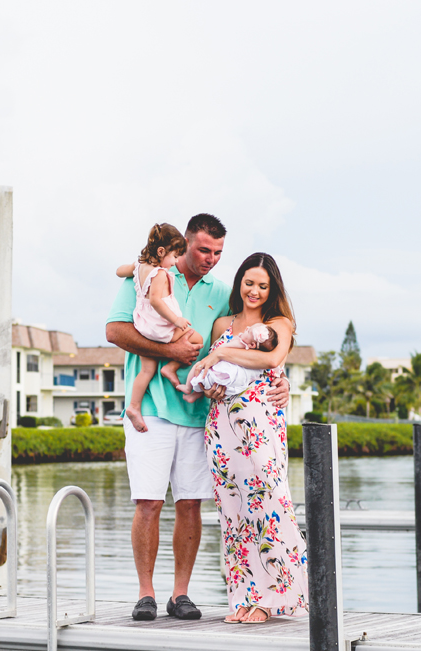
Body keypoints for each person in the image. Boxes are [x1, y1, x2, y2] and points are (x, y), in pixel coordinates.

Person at [106, 215, 291, 621]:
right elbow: (115, 331)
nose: (210, 259)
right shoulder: (151, 275)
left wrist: (283, 379)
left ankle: (180, 594)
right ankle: (145, 594)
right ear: (185, 244)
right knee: (149, 503)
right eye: (203, 250)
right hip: (150, 411)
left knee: (190, 504)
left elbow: (251, 335)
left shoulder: (223, 293)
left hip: (200, 414)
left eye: (218, 254)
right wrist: (172, 354)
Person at [188, 252, 308, 624]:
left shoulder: (280, 322)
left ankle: (271, 600)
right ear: (239, 282)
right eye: (248, 283)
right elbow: (214, 372)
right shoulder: (222, 322)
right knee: (233, 512)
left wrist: (222, 352)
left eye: (262, 285)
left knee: (268, 506)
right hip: (221, 428)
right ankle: (242, 597)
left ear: (272, 289)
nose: (254, 291)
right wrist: (210, 383)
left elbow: (272, 361)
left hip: (260, 425)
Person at [114, 223, 204, 432]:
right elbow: (156, 301)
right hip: (160, 327)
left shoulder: (138, 268)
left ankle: (134, 406)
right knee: (197, 338)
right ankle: (170, 368)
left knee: (146, 369)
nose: (175, 262)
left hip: (143, 327)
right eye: (174, 257)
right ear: (162, 252)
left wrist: (131, 268)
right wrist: (176, 320)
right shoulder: (160, 273)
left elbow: (119, 271)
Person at [187, 322, 278, 399]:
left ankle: (190, 388)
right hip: (221, 403)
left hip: (252, 400)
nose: (247, 328)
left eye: (248, 331)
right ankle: (194, 392)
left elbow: (275, 364)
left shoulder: (277, 324)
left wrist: (285, 380)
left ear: (252, 345)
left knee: (200, 370)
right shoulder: (222, 322)